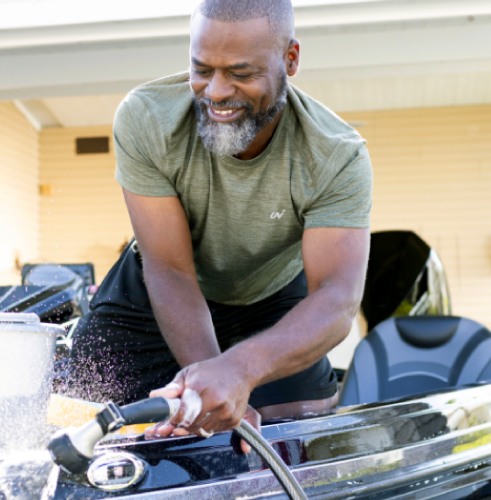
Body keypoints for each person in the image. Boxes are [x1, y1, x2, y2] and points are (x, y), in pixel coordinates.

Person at [67, 0, 372, 447]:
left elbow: (338, 297)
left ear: (290, 59)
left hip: (271, 297)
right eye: (202, 69)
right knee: (82, 413)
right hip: (154, 292)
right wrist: (211, 384)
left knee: (296, 437)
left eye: (241, 74)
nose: (216, 91)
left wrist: (239, 370)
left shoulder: (336, 154)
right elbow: (170, 268)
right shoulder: (146, 118)